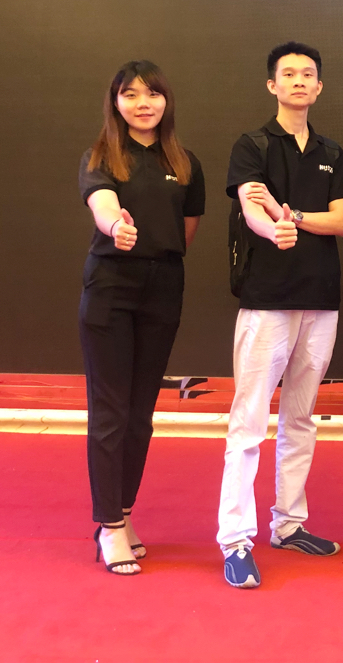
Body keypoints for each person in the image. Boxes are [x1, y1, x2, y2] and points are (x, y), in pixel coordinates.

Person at [217, 42, 343, 589]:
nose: (299, 81)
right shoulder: (252, 145)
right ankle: (235, 540)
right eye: (288, 73)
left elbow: (341, 221)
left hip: (320, 299)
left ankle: (289, 523)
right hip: (268, 299)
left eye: (308, 74)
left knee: (301, 418)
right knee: (249, 419)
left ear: (319, 87)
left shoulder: (331, 151)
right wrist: (271, 227)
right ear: (272, 85)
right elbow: (250, 205)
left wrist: (291, 214)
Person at [77, 60, 205, 575]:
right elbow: (102, 203)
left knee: (140, 415)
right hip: (111, 287)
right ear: (116, 103)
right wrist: (117, 227)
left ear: (166, 100)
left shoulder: (186, 162)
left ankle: (124, 513)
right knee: (110, 412)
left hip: (163, 287)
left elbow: (187, 228)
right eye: (130, 94)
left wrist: (155, 249)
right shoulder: (101, 156)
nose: (142, 103)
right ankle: (108, 526)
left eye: (152, 93)